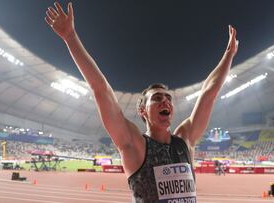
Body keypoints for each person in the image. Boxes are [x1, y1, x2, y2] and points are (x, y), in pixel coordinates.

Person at [45, 2, 238, 202]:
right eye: (157, 98)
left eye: (168, 98)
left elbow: (208, 93)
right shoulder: (135, 145)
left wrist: (228, 56)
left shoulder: (185, 141)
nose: (165, 101)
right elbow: (101, 90)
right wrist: (70, 37)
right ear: (142, 110)